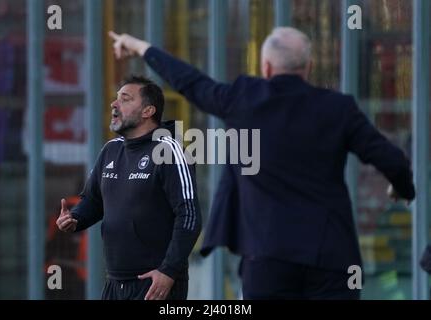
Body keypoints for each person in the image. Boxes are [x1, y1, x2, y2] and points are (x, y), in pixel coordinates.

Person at [108, 27, 415, 299]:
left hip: (267, 258)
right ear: (308, 67)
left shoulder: (244, 99)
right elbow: (391, 158)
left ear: (266, 67)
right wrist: (400, 188)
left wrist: (139, 46)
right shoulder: (338, 108)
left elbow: (190, 82)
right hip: (332, 259)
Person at [56, 75, 202, 300]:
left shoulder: (169, 151)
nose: (115, 104)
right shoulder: (110, 150)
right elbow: (93, 201)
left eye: (125, 99)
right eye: (116, 98)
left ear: (148, 111)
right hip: (115, 282)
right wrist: (75, 218)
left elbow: (189, 216)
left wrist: (168, 271)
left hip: (155, 285)